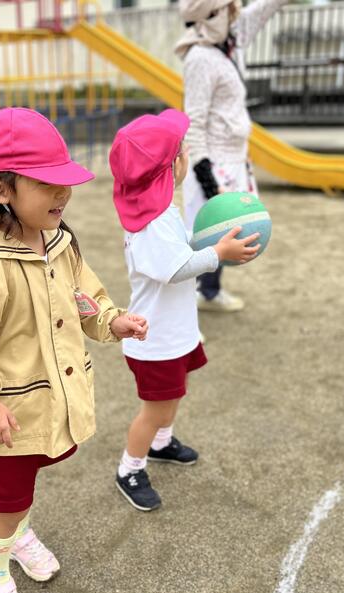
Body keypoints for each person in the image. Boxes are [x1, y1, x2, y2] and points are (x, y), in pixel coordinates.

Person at [0, 107, 149, 593]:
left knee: (20, 488)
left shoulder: (59, 243)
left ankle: (17, 537)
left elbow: (82, 296)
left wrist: (110, 320)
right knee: (4, 499)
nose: (63, 193)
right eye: (48, 184)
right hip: (2, 415)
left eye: (65, 182)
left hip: (40, 402)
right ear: (0, 191)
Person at [109, 109, 260, 511]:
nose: (187, 154)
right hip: (155, 340)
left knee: (173, 396)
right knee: (155, 408)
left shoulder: (159, 210)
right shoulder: (151, 223)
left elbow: (178, 246)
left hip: (174, 332)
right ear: (170, 168)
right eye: (182, 151)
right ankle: (130, 468)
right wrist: (218, 253)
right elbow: (174, 268)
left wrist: (207, 239)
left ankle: (161, 443)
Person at [176, 0, 288, 312]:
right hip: (212, 164)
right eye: (229, 9)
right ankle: (183, 312)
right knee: (204, 238)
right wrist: (209, 181)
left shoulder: (230, 44)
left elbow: (262, 10)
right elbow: (194, 122)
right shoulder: (200, 59)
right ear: (213, 15)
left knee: (227, 233)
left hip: (235, 160)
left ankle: (210, 293)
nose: (235, 14)